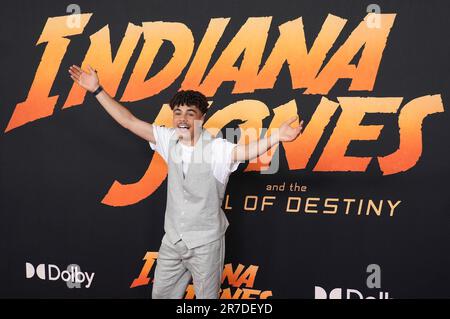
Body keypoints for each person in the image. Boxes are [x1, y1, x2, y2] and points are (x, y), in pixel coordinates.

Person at [68, 64, 303, 299]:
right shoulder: (168, 139)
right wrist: (97, 90)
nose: (182, 118)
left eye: (190, 113)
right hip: (172, 241)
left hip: (205, 244)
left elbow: (247, 152)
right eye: (178, 112)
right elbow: (128, 121)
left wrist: (276, 137)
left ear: (202, 118)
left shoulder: (217, 149)